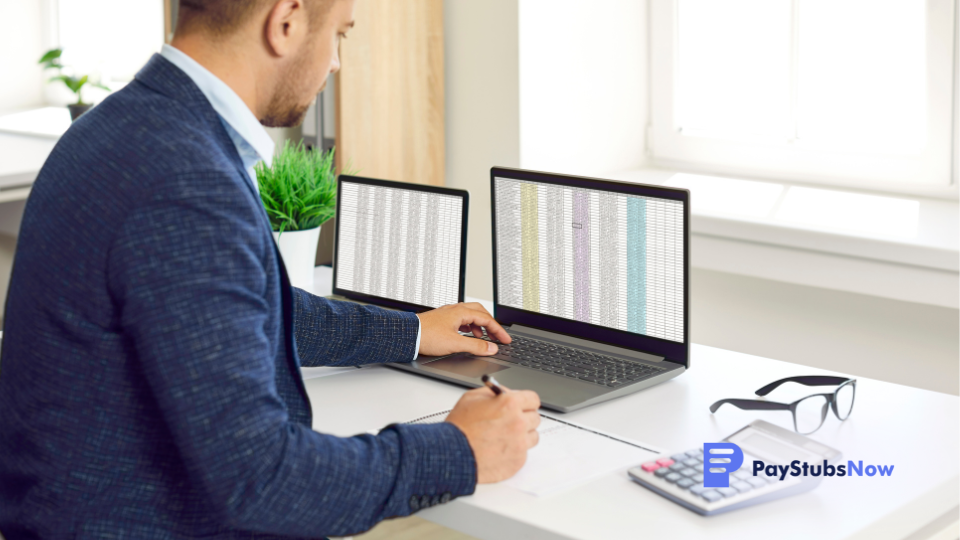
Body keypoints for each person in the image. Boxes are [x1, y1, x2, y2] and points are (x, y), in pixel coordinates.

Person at [0, 0, 541, 537]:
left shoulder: (121, 127)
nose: (335, 63)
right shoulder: (184, 180)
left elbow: (244, 305)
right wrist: (458, 449)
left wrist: (413, 330)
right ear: (285, 22)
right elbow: (263, 481)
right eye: (339, 35)